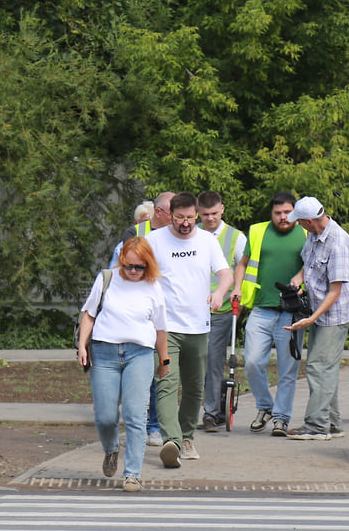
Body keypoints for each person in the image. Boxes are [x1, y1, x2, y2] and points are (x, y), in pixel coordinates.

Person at [146, 192, 233, 468]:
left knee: (195, 387)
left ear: (196, 214)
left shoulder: (207, 241)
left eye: (190, 217)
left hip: (198, 326)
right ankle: (171, 440)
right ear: (169, 215)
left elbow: (225, 274)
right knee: (167, 383)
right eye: (180, 218)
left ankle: (186, 437)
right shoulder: (154, 241)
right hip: (165, 328)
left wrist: (220, 292)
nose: (185, 223)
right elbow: (138, 273)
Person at [76, 236, 170, 493]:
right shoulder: (107, 278)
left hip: (139, 354)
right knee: (105, 416)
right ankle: (111, 448)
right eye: (128, 266)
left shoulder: (154, 286)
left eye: (139, 267)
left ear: (148, 265)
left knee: (135, 414)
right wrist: (82, 346)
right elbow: (89, 314)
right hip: (104, 352)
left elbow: (161, 329)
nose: (132, 271)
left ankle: (132, 474)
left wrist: (164, 360)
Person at [234, 191, 307, 436]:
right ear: (271, 214)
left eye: (287, 212)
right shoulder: (257, 231)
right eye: (278, 213)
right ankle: (265, 406)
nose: (283, 217)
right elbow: (243, 262)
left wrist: (302, 275)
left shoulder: (307, 232)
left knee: (288, 369)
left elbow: (318, 263)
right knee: (253, 362)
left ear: (295, 212)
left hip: (292, 312)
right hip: (262, 308)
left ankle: (281, 419)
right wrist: (237, 287)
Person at [283, 196, 349, 440]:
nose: (299, 226)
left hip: (332, 316)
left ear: (310, 221)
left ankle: (316, 426)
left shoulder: (338, 242)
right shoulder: (313, 236)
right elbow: (308, 264)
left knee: (317, 367)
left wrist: (312, 318)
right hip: (319, 311)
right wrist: (298, 280)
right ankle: (333, 424)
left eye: (301, 222)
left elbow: (336, 291)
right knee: (327, 368)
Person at [112, 191, 174, 447]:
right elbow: (122, 266)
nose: (180, 220)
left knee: (160, 370)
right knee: (143, 371)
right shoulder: (136, 232)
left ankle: (154, 425)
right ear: (160, 212)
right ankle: (140, 424)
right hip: (137, 312)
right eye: (174, 213)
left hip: (165, 310)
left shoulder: (181, 236)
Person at [196, 190, 248, 432]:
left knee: (214, 360)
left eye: (214, 213)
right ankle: (210, 408)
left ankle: (211, 412)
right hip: (193, 309)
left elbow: (244, 267)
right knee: (198, 360)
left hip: (222, 310)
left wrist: (237, 290)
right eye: (205, 214)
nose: (209, 218)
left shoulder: (236, 238)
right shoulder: (191, 233)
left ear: (222, 210)